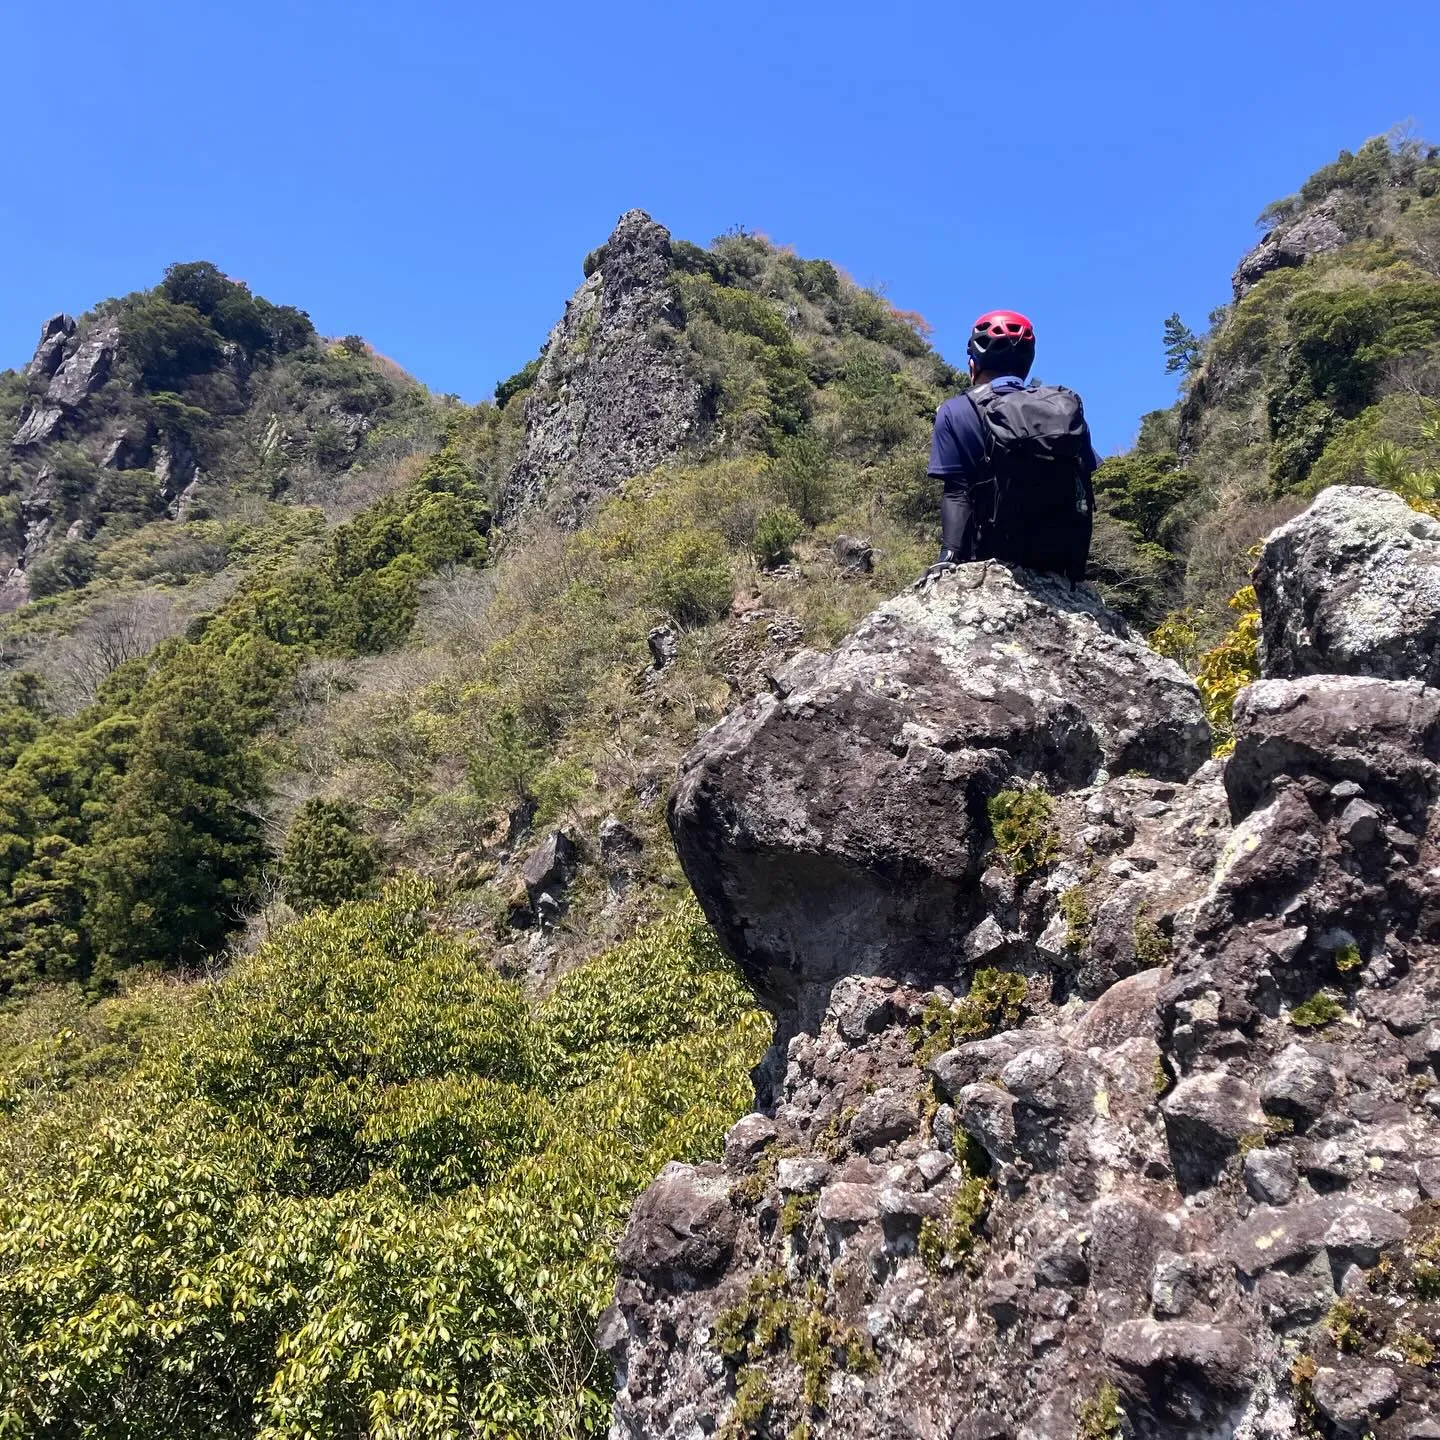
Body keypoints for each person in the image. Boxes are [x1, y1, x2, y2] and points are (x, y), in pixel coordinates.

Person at [928, 310, 1098, 583]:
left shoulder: (954, 411)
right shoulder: (1063, 410)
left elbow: (956, 493)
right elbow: (1084, 486)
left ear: (974, 365)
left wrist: (948, 557)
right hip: (1057, 563)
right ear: (1027, 363)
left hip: (989, 557)